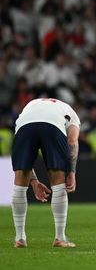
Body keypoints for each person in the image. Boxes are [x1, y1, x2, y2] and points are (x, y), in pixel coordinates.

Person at [11, 98, 80, 248]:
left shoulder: (29, 107)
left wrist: (33, 181)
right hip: (53, 126)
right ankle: (60, 238)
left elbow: (26, 161)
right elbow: (72, 142)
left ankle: (20, 238)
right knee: (58, 182)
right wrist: (71, 171)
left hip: (24, 126)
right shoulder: (72, 114)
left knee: (20, 178)